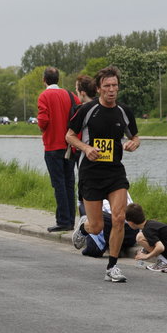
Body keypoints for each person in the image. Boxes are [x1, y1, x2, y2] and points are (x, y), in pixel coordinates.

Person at [66, 66, 140, 282]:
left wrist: (133, 144)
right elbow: (69, 136)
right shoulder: (87, 110)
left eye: (114, 86)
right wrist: (87, 149)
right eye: (107, 86)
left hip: (115, 172)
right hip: (91, 173)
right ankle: (84, 226)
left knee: (119, 218)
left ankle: (112, 267)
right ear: (98, 88)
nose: (111, 90)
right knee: (97, 226)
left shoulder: (124, 111)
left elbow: (135, 137)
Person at [37, 67, 81, 232]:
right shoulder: (71, 95)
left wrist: (43, 129)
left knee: (59, 184)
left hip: (53, 146)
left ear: (44, 80)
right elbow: (79, 115)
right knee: (70, 182)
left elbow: (43, 119)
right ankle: (70, 219)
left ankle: (63, 220)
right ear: (58, 79)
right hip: (70, 146)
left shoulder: (44, 96)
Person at [125, 203, 167, 272]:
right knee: (141, 236)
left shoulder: (147, 230)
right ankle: (164, 261)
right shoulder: (149, 224)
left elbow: (160, 247)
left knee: (139, 237)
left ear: (131, 222)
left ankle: (165, 263)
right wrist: (145, 250)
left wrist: (147, 256)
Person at [80, 193, 138, 258]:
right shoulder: (121, 188)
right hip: (133, 232)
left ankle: (85, 228)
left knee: (92, 215)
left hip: (115, 225)